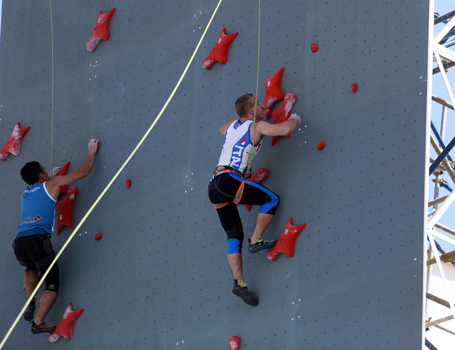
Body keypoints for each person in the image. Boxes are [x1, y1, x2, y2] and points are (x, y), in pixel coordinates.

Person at [208, 94, 301, 306]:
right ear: (251, 112)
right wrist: (295, 118)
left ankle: (239, 283)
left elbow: (223, 128)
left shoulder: (232, 126)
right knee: (271, 199)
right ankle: (257, 239)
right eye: (258, 104)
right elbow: (286, 129)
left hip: (214, 186)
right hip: (228, 179)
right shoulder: (257, 127)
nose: (261, 105)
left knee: (234, 236)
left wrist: (239, 121)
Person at [13, 139, 99, 334]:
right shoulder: (51, 184)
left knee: (30, 266)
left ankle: (30, 301)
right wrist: (91, 152)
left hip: (20, 243)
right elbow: (84, 172)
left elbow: (41, 189)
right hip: (37, 241)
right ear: (42, 174)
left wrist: (49, 176)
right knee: (52, 283)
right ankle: (39, 321)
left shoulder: (25, 193)